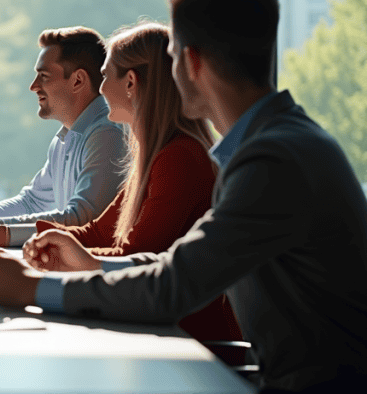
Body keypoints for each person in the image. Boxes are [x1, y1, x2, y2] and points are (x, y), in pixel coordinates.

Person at [0, 0, 367, 393]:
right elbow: (174, 262)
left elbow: (173, 287)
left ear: (192, 62)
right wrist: (83, 263)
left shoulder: (272, 160)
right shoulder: (275, 143)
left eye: (173, 56)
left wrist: (31, 288)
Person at [31, 21, 240, 342]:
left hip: (191, 344)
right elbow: (100, 231)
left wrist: (70, 263)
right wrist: (43, 243)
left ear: (131, 82)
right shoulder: (156, 156)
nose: (99, 89)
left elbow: (137, 257)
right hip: (157, 330)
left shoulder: (179, 158)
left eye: (106, 75)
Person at [0, 27, 127, 247]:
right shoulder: (64, 139)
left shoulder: (107, 135)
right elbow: (32, 202)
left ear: (78, 81)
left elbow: (84, 217)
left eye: (44, 76)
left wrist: (2, 231)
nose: (33, 86)